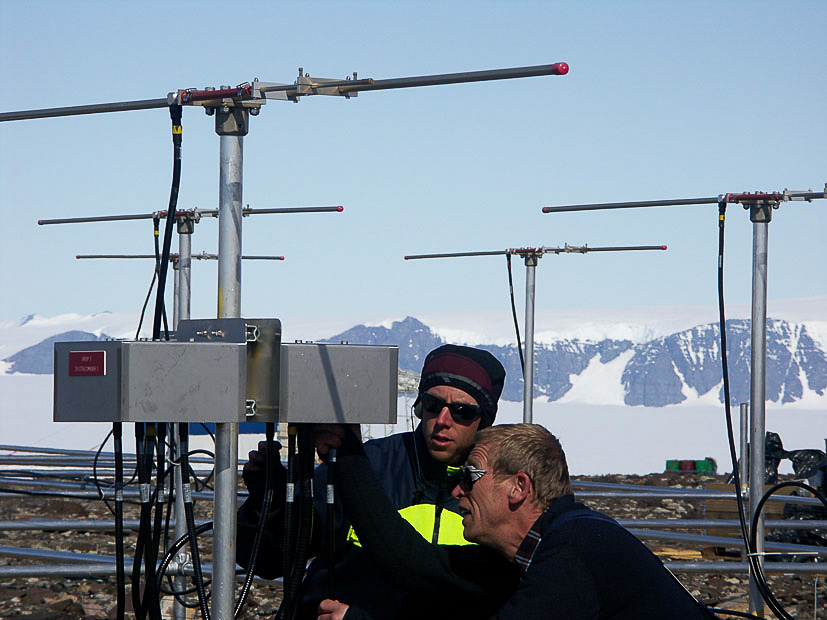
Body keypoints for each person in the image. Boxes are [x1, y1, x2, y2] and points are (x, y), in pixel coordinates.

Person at [317, 423, 719, 619]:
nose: (457, 490)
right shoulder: (535, 554)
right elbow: (408, 561)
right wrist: (348, 451)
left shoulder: (573, 554)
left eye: (470, 475)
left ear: (518, 488)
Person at [236, 344, 512, 619]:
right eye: (432, 404)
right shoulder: (365, 465)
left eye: (462, 411)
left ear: (485, 421)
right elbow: (270, 560)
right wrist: (269, 504)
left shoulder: (497, 492)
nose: (442, 420)